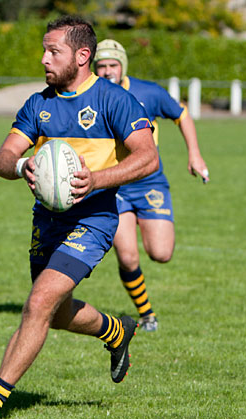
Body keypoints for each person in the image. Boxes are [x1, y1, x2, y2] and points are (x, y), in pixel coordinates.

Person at [0, 16, 159, 419]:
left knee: (38, 303)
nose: (43, 59)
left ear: (82, 56)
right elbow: (1, 159)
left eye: (53, 51)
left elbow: (148, 156)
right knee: (54, 310)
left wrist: (97, 180)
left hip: (95, 218)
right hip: (47, 221)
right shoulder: (39, 104)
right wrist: (22, 166)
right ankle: (116, 331)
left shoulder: (113, 100)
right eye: (44, 50)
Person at [93, 39, 209, 332]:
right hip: (113, 184)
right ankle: (147, 314)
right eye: (101, 66)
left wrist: (194, 154)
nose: (107, 71)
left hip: (149, 182)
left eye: (112, 65)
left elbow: (181, 114)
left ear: (123, 66)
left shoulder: (149, 92)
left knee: (160, 253)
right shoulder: (90, 95)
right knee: (128, 255)